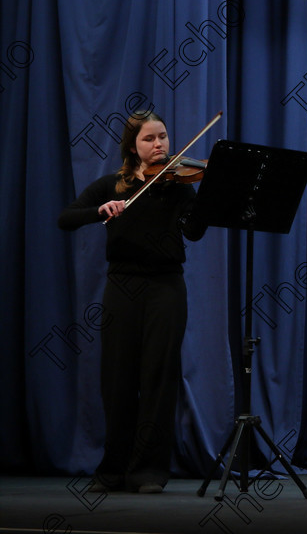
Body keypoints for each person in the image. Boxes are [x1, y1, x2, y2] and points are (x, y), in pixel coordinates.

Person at [58, 111, 206, 493]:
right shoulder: (113, 185)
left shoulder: (180, 185)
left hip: (166, 287)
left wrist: (207, 200)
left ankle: (149, 471)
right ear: (132, 146)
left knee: (159, 377)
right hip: (122, 287)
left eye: (163, 137)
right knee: (118, 379)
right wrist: (99, 210)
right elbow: (66, 218)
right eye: (149, 139)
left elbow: (195, 232)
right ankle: (113, 469)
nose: (159, 145)